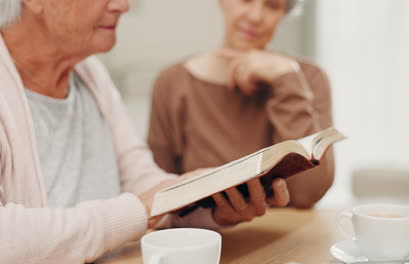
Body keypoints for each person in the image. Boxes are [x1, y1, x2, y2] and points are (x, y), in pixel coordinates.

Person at [0, 0, 290, 263]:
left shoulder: (91, 74)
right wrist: (139, 209)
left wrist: (209, 207)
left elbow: (141, 183)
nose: (123, 6)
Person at [148, 0, 335, 210]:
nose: (255, 17)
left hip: (288, 236)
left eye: (272, 6)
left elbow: (307, 194)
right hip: (207, 237)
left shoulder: (307, 79)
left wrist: (287, 82)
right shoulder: (172, 83)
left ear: (284, 14)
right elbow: (161, 198)